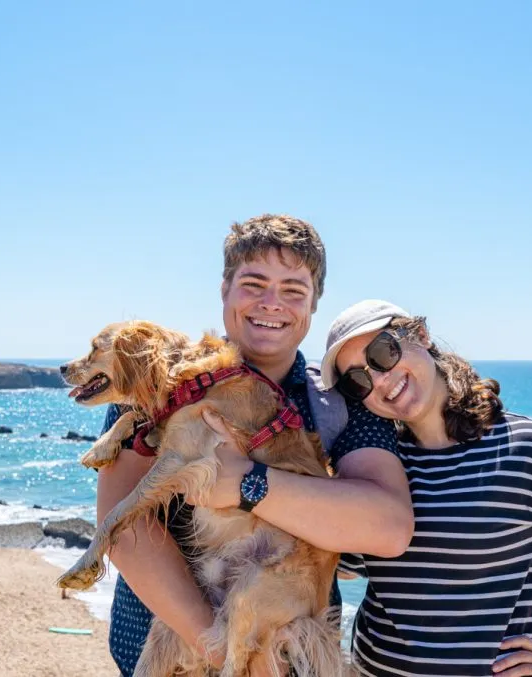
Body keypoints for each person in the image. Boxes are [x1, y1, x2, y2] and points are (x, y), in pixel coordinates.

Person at [95, 215, 411, 676]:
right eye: (254, 284)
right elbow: (123, 530)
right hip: (170, 657)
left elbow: (386, 527)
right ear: (224, 288)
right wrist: (225, 653)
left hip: (287, 656)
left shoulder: (340, 403)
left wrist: (249, 484)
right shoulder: (159, 389)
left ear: (313, 304)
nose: (271, 304)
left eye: (293, 291)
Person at [306, 299, 532, 677]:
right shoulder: (379, 469)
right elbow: (349, 566)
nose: (380, 380)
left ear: (420, 335)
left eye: (383, 352)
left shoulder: (530, 448)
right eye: (358, 381)